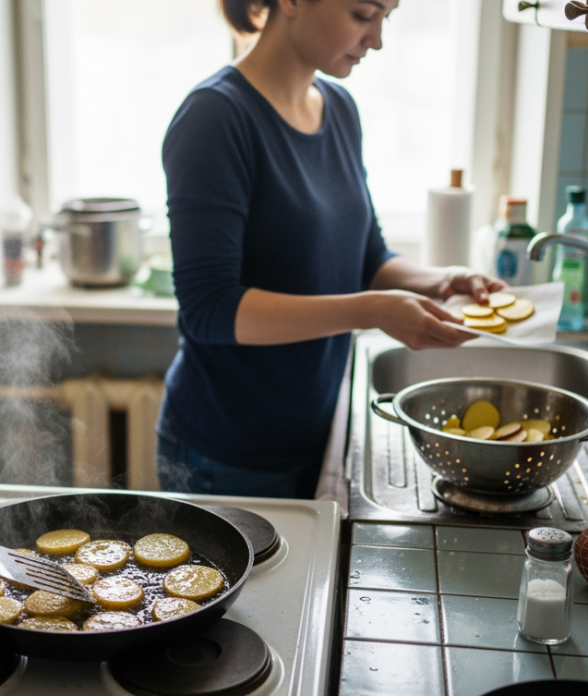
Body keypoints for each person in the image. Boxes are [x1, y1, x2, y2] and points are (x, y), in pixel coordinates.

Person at [157, 0, 505, 498]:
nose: (378, 39)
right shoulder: (214, 117)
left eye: (388, 16)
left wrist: (444, 279)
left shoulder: (339, 109)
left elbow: (368, 259)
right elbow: (209, 309)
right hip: (227, 454)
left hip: (320, 435)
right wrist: (372, 311)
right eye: (364, 15)